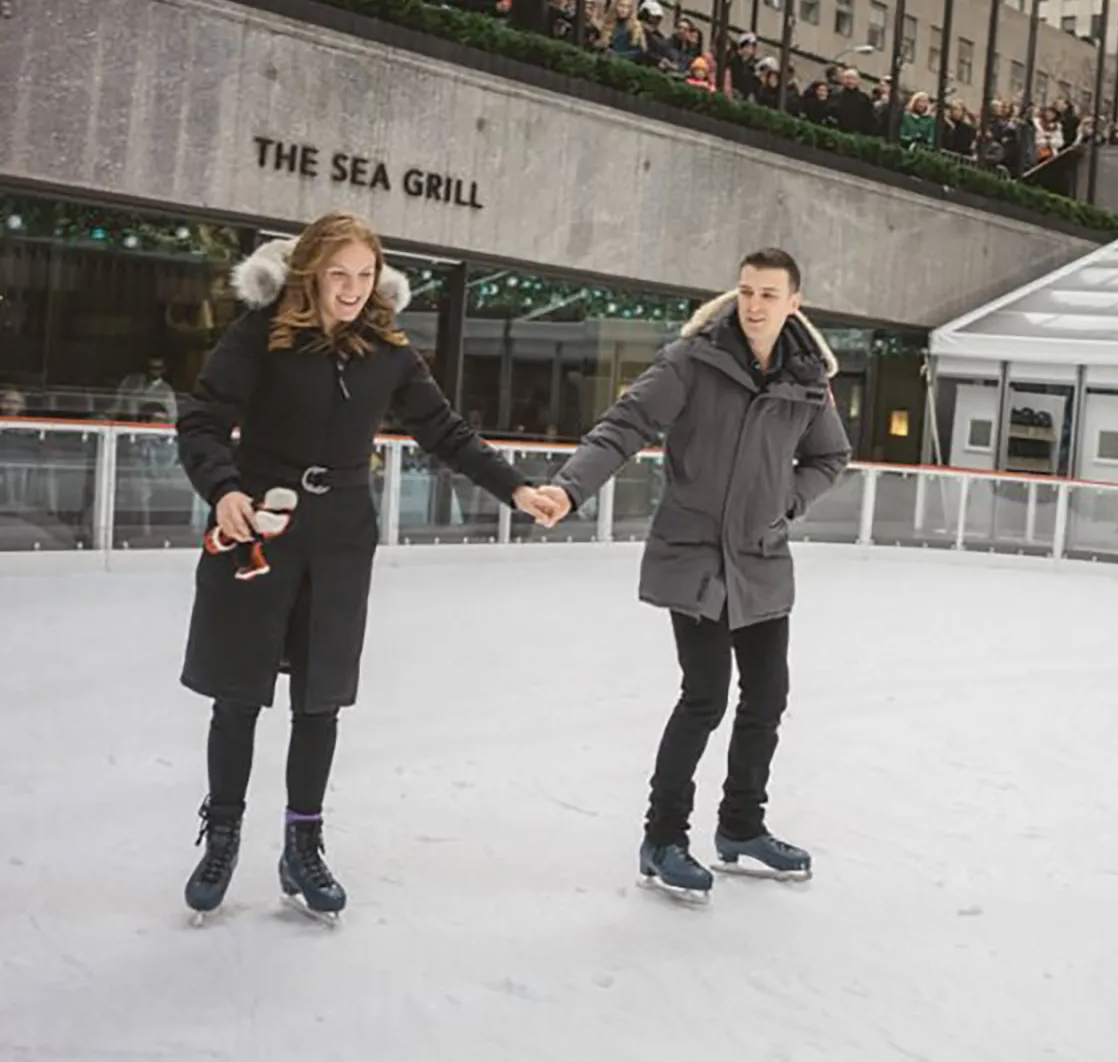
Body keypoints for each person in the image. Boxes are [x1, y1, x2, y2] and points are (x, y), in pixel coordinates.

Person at [175, 211, 558, 924]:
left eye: (364, 276)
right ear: (311, 273)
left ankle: (303, 844)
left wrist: (515, 486)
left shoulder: (387, 349)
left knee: (320, 697)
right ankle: (222, 834)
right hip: (262, 521)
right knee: (239, 690)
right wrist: (224, 488)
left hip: (343, 532)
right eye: (339, 274)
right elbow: (202, 418)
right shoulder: (261, 334)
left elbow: (445, 431)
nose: (352, 289)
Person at [537, 249, 852, 899]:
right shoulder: (694, 360)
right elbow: (624, 425)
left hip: (760, 556)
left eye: (769, 294)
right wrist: (571, 489)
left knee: (766, 697)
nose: (755, 305)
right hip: (696, 555)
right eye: (746, 291)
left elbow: (830, 455)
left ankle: (741, 827)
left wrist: (786, 501)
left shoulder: (806, 378)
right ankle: (663, 839)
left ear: (795, 303)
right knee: (705, 695)